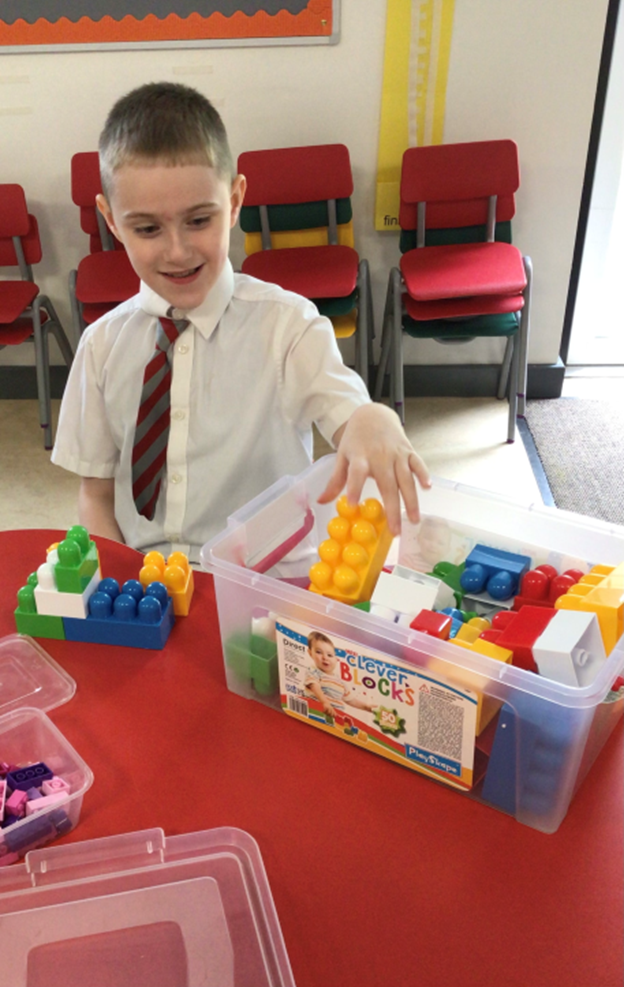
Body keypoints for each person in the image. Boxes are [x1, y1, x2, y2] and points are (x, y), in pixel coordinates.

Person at [52, 82, 430, 563]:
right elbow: (95, 493)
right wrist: (124, 580)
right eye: (147, 228)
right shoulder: (101, 345)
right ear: (111, 220)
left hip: (265, 578)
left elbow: (346, 408)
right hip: (148, 581)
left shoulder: (289, 327)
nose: (177, 251)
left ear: (233, 202)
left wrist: (372, 418)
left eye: (198, 221)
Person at [304, 631, 377, 718]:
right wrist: (324, 702)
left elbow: (351, 700)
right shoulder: (313, 671)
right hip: (315, 710)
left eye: (330, 655)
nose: (325, 657)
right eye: (319, 652)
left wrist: (366, 707)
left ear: (336, 659)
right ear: (310, 653)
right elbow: (314, 686)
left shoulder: (340, 682)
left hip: (335, 716)